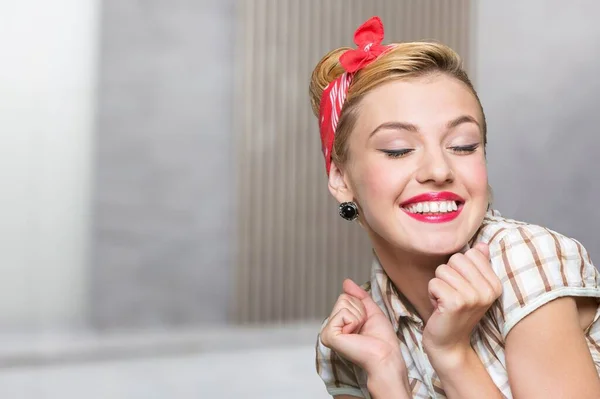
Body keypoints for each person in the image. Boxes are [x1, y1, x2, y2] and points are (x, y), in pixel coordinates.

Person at [310, 16, 600, 399]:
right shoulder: (353, 338)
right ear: (341, 179)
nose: (439, 170)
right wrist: (387, 378)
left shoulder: (524, 259)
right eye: (398, 149)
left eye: (463, 145)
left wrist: (451, 354)